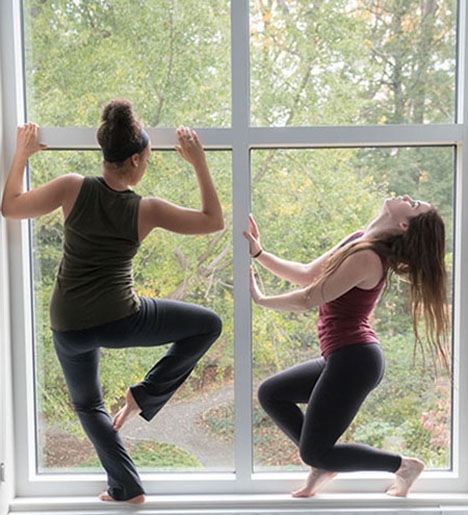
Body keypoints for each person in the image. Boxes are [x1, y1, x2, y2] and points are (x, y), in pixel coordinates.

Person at [1, 99, 224, 504]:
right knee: (208, 324)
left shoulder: (71, 187)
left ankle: (127, 487)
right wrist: (198, 162)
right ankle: (144, 395)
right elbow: (213, 220)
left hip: (67, 325)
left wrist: (21, 153)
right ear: (136, 159)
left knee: (89, 407)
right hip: (122, 319)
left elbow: (11, 207)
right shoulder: (147, 209)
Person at [244, 196, 449, 498]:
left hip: (355, 360)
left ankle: (403, 466)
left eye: (415, 203)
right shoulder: (358, 240)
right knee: (272, 393)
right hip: (343, 356)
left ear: (404, 224)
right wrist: (259, 253)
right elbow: (307, 273)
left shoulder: (369, 259)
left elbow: (308, 298)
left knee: (314, 452)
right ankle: (324, 463)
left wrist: (261, 300)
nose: (407, 197)